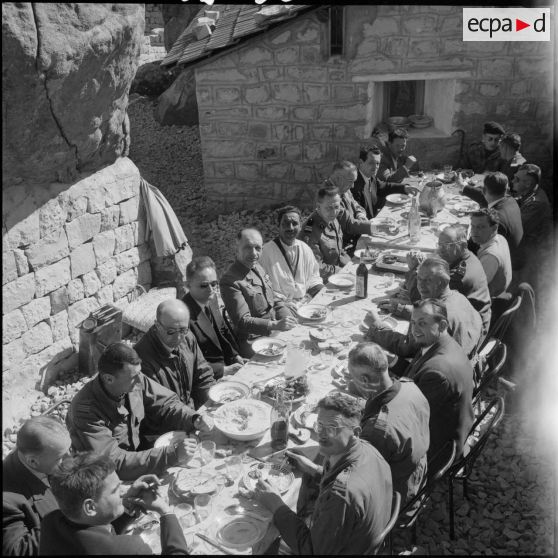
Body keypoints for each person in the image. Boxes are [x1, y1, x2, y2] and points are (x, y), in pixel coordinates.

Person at [253, 392, 392, 555]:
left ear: (356, 432)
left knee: (262, 542)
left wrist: (276, 504)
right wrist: (314, 469)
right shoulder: (368, 450)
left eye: (332, 428)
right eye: (320, 425)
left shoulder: (342, 496)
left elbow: (311, 551)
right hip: (353, 539)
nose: (322, 435)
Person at [66, 342, 212, 481]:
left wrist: (193, 418)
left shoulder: (134, 378)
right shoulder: (86, 412)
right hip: (110, 478)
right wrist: (171, 454)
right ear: (109, 379)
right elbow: (113, 463)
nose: (139, 381)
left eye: (139, 374)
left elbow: (166, 404)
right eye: (133, 378)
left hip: (138, 456)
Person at [40, 452, 188, 555]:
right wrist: (166, 512)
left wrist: (127, 505)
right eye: (116, 490)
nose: (124, 492)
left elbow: (96, 531)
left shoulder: (50, 521)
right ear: (90, 507)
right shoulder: (129, 549)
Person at [349, 343, 430, 506]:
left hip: (394, 498)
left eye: (353, 377)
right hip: (418, 474)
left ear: (365, 380)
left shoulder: (378, 431)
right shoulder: (410, 386)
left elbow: (358, 477)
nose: (352, 382)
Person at [403, 300, 474, 462]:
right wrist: (392, 362)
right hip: (448, 429)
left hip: (436, 451)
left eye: (422, 323)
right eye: (413, 322)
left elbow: (407, 417)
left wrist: (373, 395)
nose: (414, 329)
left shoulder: (438, 372)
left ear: (442, 325)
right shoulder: (444, 344)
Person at [369, 257, 483, 358]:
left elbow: (406, 347)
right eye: (419, 278)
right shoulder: (459, 297)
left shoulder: (437, 314)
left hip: (438, 373)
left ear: (443, 282)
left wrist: (376, 327)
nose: (421, 286)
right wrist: (400, 308)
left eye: (428, 280)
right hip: (464, 362)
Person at [220, 228, 297, 357]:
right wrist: (276, 325)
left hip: (274, 331)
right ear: (237, 249)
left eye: (258, 248)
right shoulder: (230, 281)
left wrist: (288, 318)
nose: (254, 253)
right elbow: (243, 321)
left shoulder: (257, 267)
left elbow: (275, 301)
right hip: (254, 342)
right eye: (248, 248)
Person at [405, 225, 491, 336]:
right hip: (468, 321)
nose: (439, 250)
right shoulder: (466, 257)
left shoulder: (459, 277)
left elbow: (422, 299)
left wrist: (413, 270)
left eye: (446, 246)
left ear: (463, 245)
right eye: (439, 245)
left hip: (471, 331)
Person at [2, 417, 71, 556]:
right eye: (60, 457)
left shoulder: (45, 458)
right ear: (33, 461)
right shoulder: (7, 499)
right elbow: (16, 550)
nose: (69, 458)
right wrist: (71, 516)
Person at [135, 299, 216, 405]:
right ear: (157, 325)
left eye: (183, 330)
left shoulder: (188, 338)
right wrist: (193, 418)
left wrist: (212, 400)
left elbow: (203, 375)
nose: (178, 337)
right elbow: (160, 405)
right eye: (171, 331)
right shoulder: (141, 359)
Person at [182, 256, 244, 380]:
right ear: (188, 285)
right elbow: (189, 362)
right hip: (207, 377)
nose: (211, 289)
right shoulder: (183, 317)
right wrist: (223, 371)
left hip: (226, 365)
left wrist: (235, 356)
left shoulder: (211, 298)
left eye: (214, 283)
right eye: (204, 285)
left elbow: (223, 331)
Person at [259, 206, 325, 309]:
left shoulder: (305, 249)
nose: (290, 228)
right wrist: (283, 302)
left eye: (294, 224)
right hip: (279, 305)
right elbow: (262, 287)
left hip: (304, 301)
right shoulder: (265, 252)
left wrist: (317, 289)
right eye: (285, 223)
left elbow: (314, 276)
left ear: (300, 226)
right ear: (278, 226)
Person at [462, 172, 523, 261]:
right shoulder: (510, 200)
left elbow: (475, 246)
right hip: (515, 252)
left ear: (484, 190)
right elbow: (484, 196)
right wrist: (463, 187)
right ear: (506, 189)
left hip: (503, 263)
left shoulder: (496, 219)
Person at [323, 161, 380, 254]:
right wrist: (376, 228)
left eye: (354, 182)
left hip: (353, 238)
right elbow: (348, 225)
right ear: (338, 178)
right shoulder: (328, 196)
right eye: (350, 181)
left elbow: (355, 204)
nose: (352, 186)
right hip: (340, 248)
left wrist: (360, 214)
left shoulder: (342, 187)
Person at [298, 188, 351, 280]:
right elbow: (316, 267)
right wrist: (340, 272)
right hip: (319, 280)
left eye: (336, 207)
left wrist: (349, 264)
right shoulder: (310, 229)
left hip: (335, 272)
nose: (334, 212)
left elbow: (337, 250)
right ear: (318, 206)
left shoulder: (331, 218)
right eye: (329, 207)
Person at [512, 164, 553, 280]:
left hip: (530, 253)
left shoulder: (537, 204)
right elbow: (520, 200)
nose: (512, 181)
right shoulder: (531, 192)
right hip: (526, 244)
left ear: (528, 184)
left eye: (517, 179)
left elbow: (516, 229)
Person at [352, 146, 417, 218]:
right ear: (361, 162)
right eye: (371, 163)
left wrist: (405, 188)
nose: (375, 167)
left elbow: (384, 186)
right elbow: (357, 214)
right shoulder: (353, 184)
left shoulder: (371, 176)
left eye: (377, 163)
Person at [470, 209, 512, 298]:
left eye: (481, 227)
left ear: (494, 228)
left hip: (488, 301)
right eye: (472, 226)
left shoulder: (490, 258)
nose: (474, 231)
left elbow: (474, 288)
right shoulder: (500, 238)